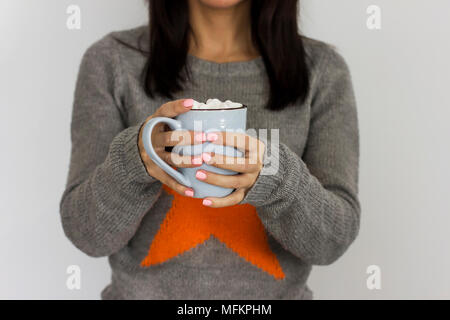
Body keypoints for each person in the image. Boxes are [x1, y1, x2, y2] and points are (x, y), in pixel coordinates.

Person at [60, 0, 361, 299]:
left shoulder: (323, 70)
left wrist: (273, 175)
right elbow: (87, 234)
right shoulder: (110, 61)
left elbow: (332, 239)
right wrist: (136, 161)